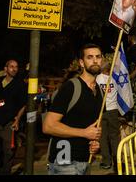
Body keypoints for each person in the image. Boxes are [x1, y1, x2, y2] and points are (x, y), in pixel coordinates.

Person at [43, 44, 103, 175]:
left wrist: (95, 142)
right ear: (82, 63)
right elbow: (48, 126)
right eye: (90, 57)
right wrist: (84, 133)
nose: (95, 60)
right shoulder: (70, 87)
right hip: (64, 162)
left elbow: (92, 126)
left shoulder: (99, 92)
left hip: (85, 161)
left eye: (98, 57)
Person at [0, 60, 27, 175]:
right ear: (5, 69)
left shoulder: (20, 85)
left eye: (16, 67)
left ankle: (5, 172)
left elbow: (23, 104)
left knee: (9, 152)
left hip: (8, 122)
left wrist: (17, 120)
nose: (14, 69)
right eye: (11, 67)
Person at [95, 60, 120, 171]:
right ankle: (117, 160)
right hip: (113, 110)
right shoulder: (113, 79)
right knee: (115, 137)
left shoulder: (97, 79)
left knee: (103, 137)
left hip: (102, 111)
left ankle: (106, 161)